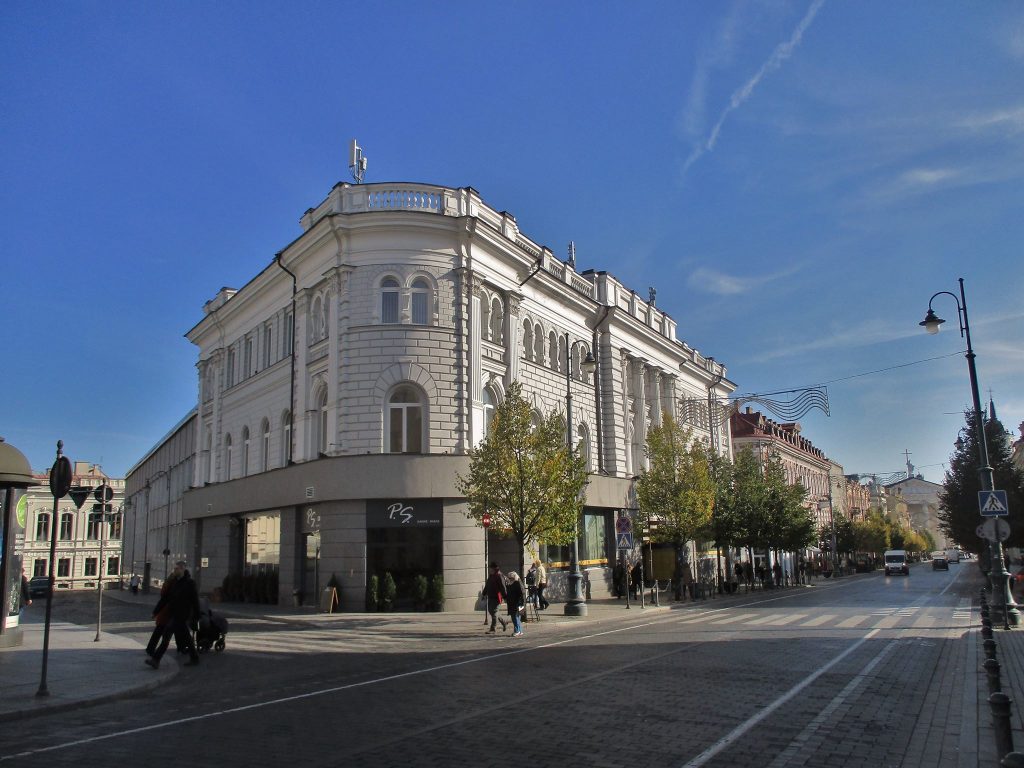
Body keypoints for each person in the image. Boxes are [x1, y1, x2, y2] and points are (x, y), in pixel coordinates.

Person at [145, 561, 200, 669]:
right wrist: (156, 612)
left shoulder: (189, 583)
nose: (174, 570)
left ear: (182, 569)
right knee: (187, 638)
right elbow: (165, 599)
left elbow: (195, 601)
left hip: (182, 615)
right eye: (174, 569)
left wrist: (196, 617)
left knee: (166, 637)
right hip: (173, 614)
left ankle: (156, 660)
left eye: (176, 569)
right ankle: (194, 658)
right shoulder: (175, 583)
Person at [482, 562, 507, 634]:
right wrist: (484, 593)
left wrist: (505, 596)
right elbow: (487, 585)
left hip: (497, 597)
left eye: (490, 568)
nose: (489, 569)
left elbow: (503, 587)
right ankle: (504, 622)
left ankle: (493, 628)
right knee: (492, 611)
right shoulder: (491, 576)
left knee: (495, 612)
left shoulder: (499, 575)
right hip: (491, 596)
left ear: (493, 568)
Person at [505, 571, 525, 637]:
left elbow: (519, 594)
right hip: (519, 603)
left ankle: (517, 631)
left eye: (510, 578)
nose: (509, 579)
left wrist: (520, 603)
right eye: (509, 578)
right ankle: (520, 631)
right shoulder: (517, 583)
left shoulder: (516, 584)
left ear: (514, 578)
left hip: (516, 603)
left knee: (515, 618)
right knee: (518, 618)